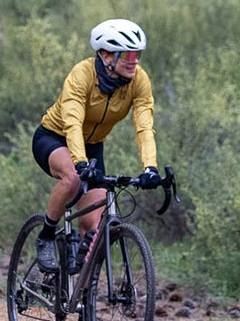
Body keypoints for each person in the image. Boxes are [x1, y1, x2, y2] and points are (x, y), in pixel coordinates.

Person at [32, 18, 161, 275]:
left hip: (92, 147)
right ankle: (45, 235)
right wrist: (79, 163)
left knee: (94, 228)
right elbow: (72, 121)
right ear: (105, 55)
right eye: (127, 53)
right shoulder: (82, 74)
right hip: (55, 137)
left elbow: (144, 126)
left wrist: (150, 168)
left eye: (138, 54)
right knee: (72, 180)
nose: (134, 60)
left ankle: (83, 305)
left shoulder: (139, 80)